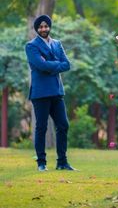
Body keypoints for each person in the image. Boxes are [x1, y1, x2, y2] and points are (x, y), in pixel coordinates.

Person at [25, 15, 76, 172]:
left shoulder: (57, 44)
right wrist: (54, 63)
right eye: (40, 27)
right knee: (41, 127)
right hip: (40, 93)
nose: (44, 29)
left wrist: (49, 64)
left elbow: (67, 65)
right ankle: (41, 163)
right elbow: (40, 65)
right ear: (36, 29)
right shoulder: (31, 46)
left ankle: (62, 162)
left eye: (46, 26)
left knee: (63, 125)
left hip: (56, 91)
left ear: (49, 27)